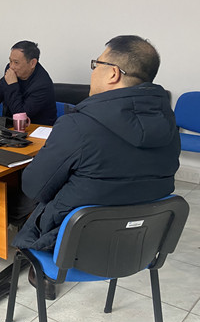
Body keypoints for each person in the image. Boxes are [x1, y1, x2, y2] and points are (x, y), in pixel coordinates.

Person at [12, 35, 180, 297]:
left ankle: (38, 270)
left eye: (96, 64)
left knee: (23, 200)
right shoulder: (168, 123)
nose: (93, 71)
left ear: (113, 73)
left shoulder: (77, 126)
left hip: (74, 247)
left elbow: (34, 187)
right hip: (139, 246)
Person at [0, 41, 57, 124]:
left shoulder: (42, 85)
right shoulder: (12, 70)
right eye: (10, 61)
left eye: (16, 62)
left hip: (37, 128)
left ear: (32, 63)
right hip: (12, 125)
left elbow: (21, 116)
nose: (11, 66)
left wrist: (12, 85)